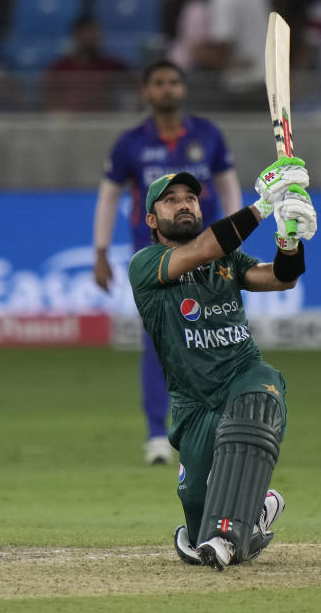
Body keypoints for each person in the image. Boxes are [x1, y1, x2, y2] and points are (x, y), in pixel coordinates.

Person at [128, 157, 317, 569]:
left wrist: (289, 240)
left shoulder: (226, 260)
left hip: (242, 375)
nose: (183, 205)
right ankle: (258, 507)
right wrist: (263, 207)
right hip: (194, 405)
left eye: (191, 198)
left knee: (254, 405)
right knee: (200, 535)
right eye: (171, 200)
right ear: (151, 220)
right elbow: (203, 249)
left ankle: (236, 528)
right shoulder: (145, 265)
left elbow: (281, 278)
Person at [92, 59, 242, 464]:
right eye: (158, 83)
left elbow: (229, 188)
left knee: (212, 339)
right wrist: (101, 251)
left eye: (174, 82)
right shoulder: (131, 143)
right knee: (159, 344)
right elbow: (109, 196)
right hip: (154, 258)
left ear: (184, 89)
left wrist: (233, 237)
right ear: (146, 91)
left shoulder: (207, 135)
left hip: (205, 253)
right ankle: (158, 435)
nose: (167, 89)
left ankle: (213, 429)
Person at [42, 14, 131, 112]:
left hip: (102, 121)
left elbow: (136, 84)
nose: (93, 37)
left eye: (96, 33)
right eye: (87, 32)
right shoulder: (60, 67)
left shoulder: (111, 65)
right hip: (68, 123)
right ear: (76, 35)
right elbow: (49, 100)